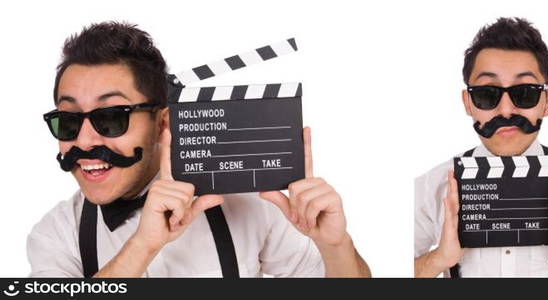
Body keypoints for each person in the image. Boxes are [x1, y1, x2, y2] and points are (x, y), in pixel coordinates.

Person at [28, 21, 370, 277]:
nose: (85, 142)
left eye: (112, 118)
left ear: (163, 124)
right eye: (69, 121)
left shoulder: (253, 205)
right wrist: (143, 245)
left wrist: (335, 246)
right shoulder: (56, 234)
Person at [413, 17, 548, 278]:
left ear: (547, 101)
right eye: (487, 94)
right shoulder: (432, 186)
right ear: (468, 102)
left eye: (525, 93)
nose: (507, 110)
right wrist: (438, 258)